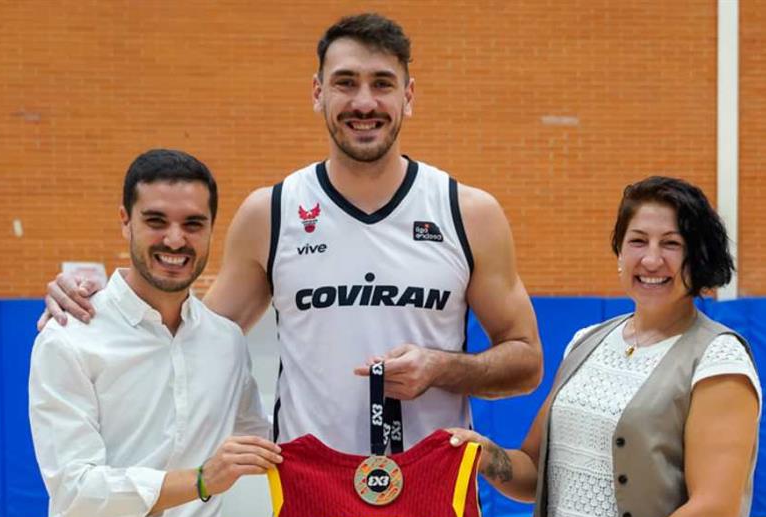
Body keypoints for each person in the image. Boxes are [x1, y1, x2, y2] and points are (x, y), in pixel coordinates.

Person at [38, 13, 542, 453]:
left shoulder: (467, 212)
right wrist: (105, 306)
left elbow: (526, 361)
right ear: (317, 92)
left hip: (433, 494)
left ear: (408, 97)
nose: (364, 102)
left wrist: (441, 367)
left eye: (382, 84)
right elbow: (189, 335)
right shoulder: (272, 212)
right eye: (345, 82)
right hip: (311, 497)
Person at [448, 176, 760, 517]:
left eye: (671, 244)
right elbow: (535, 475)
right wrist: (486, 455)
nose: (651, 259)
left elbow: (714, 514)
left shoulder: (718, 358)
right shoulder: (587, 342)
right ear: (619, 251)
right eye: (638, 241)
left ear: (697, 256)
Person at [28, 149, 282, 517]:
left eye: (193, 224)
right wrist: (202, 481)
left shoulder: (225, 342)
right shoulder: (70, 337)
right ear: (124, 221)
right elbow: (75, 489)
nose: (174, 240)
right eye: (155, 221)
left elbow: (278, 445)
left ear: (213, 229)